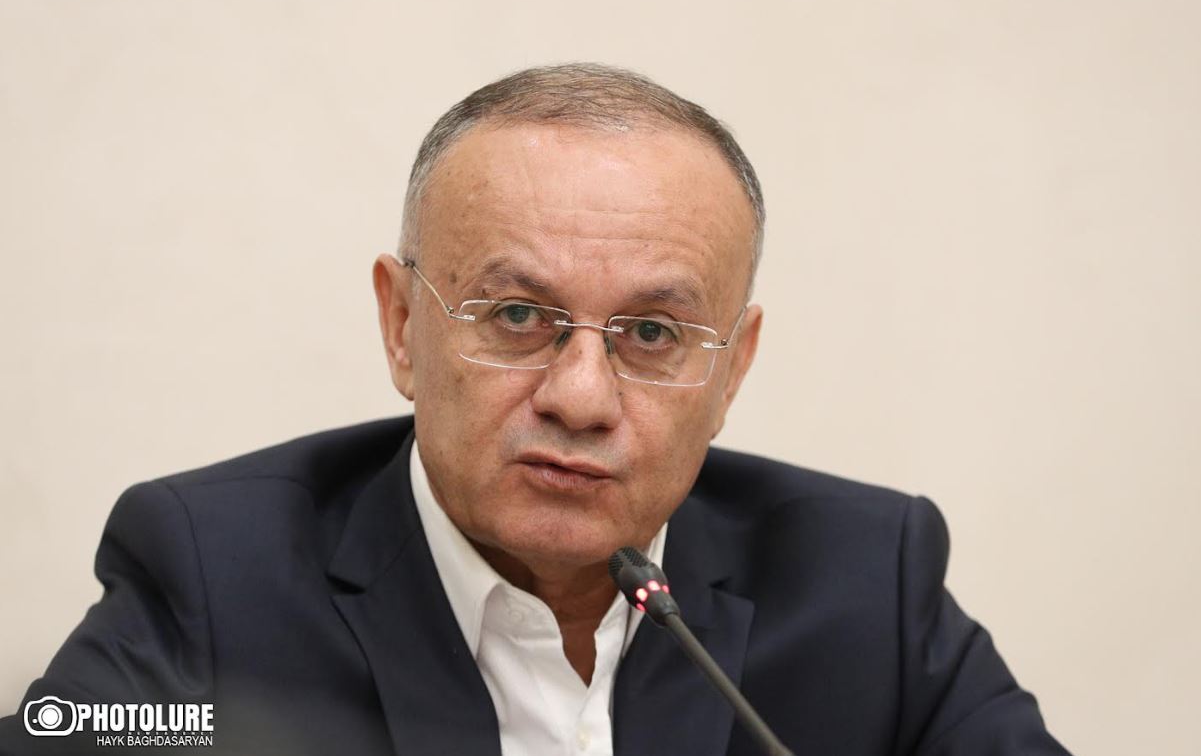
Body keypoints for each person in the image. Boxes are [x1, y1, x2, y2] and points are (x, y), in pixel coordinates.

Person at [0, 63, 1070, 755]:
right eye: (517, 316)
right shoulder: (214, 577)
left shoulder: (863, 582)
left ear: (732, 370)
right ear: (401, 326)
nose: (580, 397)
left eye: (652, 334)